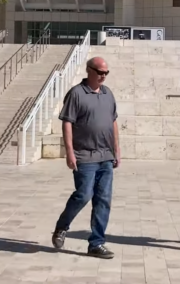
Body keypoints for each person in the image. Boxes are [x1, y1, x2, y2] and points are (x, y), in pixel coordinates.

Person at [52, 57, 120, 259]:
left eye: (106, 73)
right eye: (100, 72)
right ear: (89, 70)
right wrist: (69, 151)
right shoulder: (76, 94)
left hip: (105, 155)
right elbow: (67, 123)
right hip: (84, 155)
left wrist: (117, 149)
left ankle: (96, 243)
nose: (103, 76)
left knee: (103, 200)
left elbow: (113, 122)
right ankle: (62, 226)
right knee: (83, 195)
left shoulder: (108, 94)